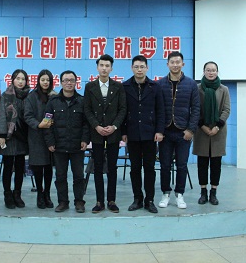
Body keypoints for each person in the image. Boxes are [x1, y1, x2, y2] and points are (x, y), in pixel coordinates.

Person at [121, 55, 165, 214]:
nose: (139, 70)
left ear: (147, 68)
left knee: (149, 168)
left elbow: (161, 111)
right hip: (132, 134)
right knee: (134, 168)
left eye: (142, 67)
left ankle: (150, 200)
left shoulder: (155, 86)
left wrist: (159, 131)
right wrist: (123, 132)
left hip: (150, 134)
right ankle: (137, 199)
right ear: (132, 68)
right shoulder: (125, 86)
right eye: (136, 67)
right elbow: (122, 111)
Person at [157, 51, 200, 209]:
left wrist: (191, 130)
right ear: (167, 64)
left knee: (182, 165)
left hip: (183, 132)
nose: (175, 65)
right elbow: (157, 109)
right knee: (165, 165)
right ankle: (165, 193)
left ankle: (179, 195)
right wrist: (159, 131)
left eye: (178, 62)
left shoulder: (191, 84)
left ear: (183, 64)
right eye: (172, 62)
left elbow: (196, 109)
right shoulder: (160, 84)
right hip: (165, 132)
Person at [84, 54, 127, 213]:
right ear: (97, 67)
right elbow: (87, 109)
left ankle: (111, 200)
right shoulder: (90, 87)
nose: (104, 68)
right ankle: (99, 201)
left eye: (107, 66)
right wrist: (96, 126)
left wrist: (114, 126)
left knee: (112, 168)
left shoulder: (118, 87)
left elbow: (123, 109)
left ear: (111, 68)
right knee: (97, 168)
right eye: (101, 65)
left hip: (113, 133)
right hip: (96, 133)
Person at [44, 70, 90, 213]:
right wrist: (50, 142)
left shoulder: (82, 101)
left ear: (76, 82)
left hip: (77, 146)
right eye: (66, 80)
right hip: (59, 146)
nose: (69, 83)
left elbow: (86, 123)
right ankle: (63, 202)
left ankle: (79, 201)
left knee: (79, 176)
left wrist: (85, 139)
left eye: (72, 80)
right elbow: (47, 123)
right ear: (61, 82)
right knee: (60, 176)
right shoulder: (53, 102)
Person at [194, 61, 231, 206]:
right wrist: (202, 126)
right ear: (204, 72)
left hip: (218, 131)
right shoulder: (197, 88)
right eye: (208, 70)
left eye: (213, 70)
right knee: (202, 163)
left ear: (217, 72)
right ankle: (203, 192)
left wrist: (217, 126)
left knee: (216, 164)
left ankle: (213, 192)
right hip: (201, 130)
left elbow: (226, 110)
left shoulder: (224, 89)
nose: (211, 73)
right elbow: (194, 108)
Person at [0, 69, 30, 209]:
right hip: (9, 138)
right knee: (8, 167)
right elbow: (1, 116)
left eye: (23, 79)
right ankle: (7, 194)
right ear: (12, 80)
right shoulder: (5, 96)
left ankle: (17, 194)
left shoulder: (29, 96)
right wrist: (2, 135)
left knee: (20, 167)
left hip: (23, 137)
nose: (20, 81)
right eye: (18, 78)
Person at [24, 69, 57, 209]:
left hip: (51, 137)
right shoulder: (31, 97)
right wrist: (38, 124)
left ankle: (47, 194)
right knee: (38, 167)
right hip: (36, 136)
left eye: (48, 80)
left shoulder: (54, 96)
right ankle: (39, 193)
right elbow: (27, 116)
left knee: (49, 167)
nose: (45, 82)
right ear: (38, 81)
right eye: (43, 80)